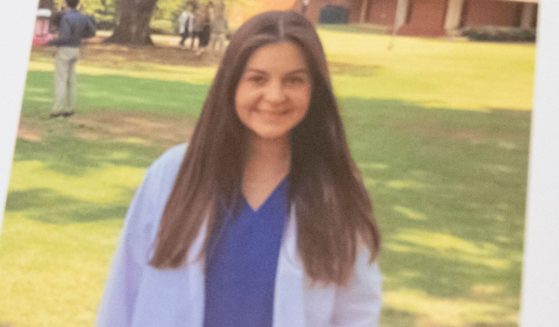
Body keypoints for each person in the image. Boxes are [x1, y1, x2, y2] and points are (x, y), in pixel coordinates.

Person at [97, 11, 382, 327]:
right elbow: (124, 291)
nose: (275, 96)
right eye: (257, 79)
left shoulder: (334, 191)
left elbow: (357, 311)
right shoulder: (172, 175)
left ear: (315, 90)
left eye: (294, 80)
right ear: (231, 84)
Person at [46, 0, 95, 118]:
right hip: (76, 49)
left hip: (65, 50)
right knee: (71, 80)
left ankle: (58, 109)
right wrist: (78, 37)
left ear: (66, 3)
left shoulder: (66, 17)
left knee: (61, 79)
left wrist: (50, 42)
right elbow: (92, 32)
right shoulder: (83, 17)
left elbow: (65, 37)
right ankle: (70, 107)